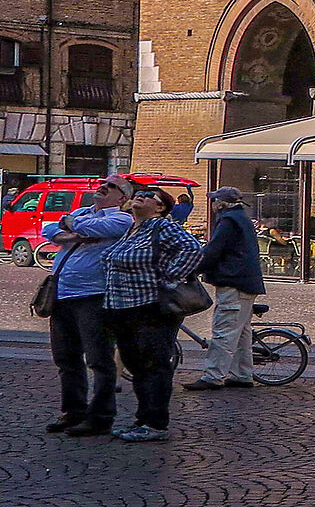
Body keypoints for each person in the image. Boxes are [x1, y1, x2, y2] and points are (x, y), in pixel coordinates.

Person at [101, 184, 206, 442]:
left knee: (154, 365)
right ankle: (142, 418)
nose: (141, 197)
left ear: (160, 207)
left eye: (149, 196)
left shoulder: (162, 226)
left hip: (151, 308)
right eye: (139, 194)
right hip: (122, 308)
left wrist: (168, 277)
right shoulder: (132, 229)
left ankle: (156, 423)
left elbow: (193, 250)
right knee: (137, 366)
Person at [43, 173, 132, 436]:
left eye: (111, 186)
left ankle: (101, 417)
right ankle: (73, 412)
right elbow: (49, 227)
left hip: (93, 296)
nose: (103, 188)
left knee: (98, 359)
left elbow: (86, 227)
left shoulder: (121, 218)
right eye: (102, 184)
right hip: (62, 295)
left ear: (123, 197)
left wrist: (71, 226)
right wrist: (69, 235)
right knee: (65, 358)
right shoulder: (84, 211)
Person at [184, 186, 266, 390]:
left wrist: (191, 269)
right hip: (246, 282)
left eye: (214, 201)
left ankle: (213, 376)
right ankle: (242, 374)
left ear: (221, 203)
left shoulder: (228, 220)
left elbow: (214, 250)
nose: (212, 204)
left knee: (224, 332)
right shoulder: (241, 218)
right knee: (242, 333)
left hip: (233, 282)